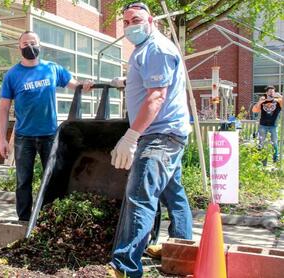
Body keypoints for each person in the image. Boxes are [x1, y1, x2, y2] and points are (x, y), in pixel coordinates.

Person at [107, 2, 192, 277]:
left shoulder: (155, 48)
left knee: (140, 196)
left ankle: (125, 266)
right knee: (173, 194)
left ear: (151, 20)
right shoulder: (145, 49)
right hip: (171, 133)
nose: (131, 25)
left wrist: (132, 136)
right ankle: (181, 250)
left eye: (137, 19)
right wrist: (127, 81)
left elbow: (156, 97)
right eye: (127, 21)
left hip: (159, 135)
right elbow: (149, 83)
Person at [0, 31, 93, 221]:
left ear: (39, 45)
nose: (29, 46)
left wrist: (85, 85)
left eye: (33, 42)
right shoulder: (13, 75)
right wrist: (2, 139)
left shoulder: (52, 69)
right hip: (23, 137)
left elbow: (73, 84)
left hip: (49, 135)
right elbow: (3, 108)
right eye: (25, 43)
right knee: (23, 181)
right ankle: (24, 220)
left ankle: (48, 218)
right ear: (19, 48)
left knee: (52, 179)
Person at [252, 85, 282, 163]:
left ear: (275, 92)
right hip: (263, 125)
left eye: (272, 92)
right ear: (266, 93)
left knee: (274, 142)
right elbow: (254, 110)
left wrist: (280, 96)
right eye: (269, 92)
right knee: (261, 142)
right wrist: (259, 102)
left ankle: (275, 159)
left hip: (273, 125)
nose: (271, 93)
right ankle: (260, 159)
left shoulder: (278, 101)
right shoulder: (263, 101)